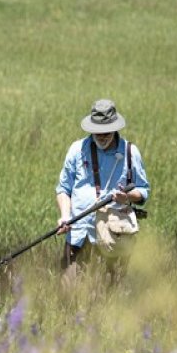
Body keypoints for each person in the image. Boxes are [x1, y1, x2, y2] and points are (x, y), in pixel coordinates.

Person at [54, 99, 150, 283]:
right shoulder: (77, 150)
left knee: (107, 299)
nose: (102, 136)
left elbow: (143, 191)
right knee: (68, 294)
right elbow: (63, 189)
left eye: (106, 132)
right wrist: (65, 216)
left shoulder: (130, 152)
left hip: (114, 238)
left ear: (115, 128)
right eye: (97, 132)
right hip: (79, 234)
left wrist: (127, 197)